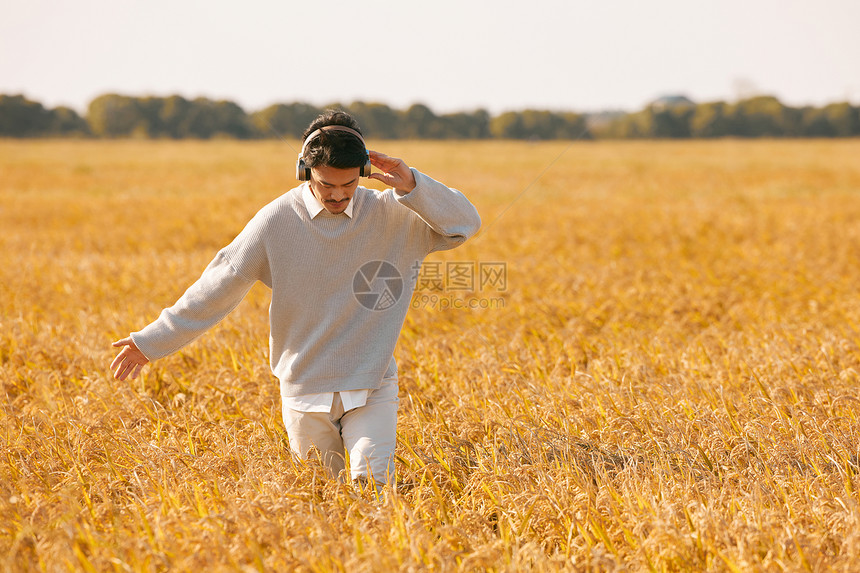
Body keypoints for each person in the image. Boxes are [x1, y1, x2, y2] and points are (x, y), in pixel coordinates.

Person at [110, 109, 481, 486]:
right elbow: (217, 286)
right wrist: (151, 342)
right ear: (305, 170)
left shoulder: (394, 215)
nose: (337, 195)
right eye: (325, 184)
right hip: (304, 392)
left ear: (365, 171)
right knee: (324, 499)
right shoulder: (275, 221)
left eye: (349, 183)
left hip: (372, 384)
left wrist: (412, 183)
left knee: (372, 485)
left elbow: (465, 224)